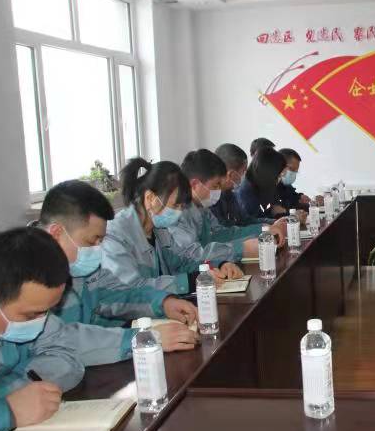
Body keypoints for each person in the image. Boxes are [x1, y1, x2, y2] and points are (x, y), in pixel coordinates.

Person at [37, 180, 198, 365]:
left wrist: (163, 303)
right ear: (57, 233)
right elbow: (59, 339)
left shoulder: (80, 265)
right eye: (92, 241)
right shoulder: (25, 276)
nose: (98, 249)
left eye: (101, 241)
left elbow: (118, 293)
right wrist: (142, 339)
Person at [0, 228, 84, 431]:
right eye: (31, 315)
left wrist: (5, 392)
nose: (41, 322)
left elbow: (66, 357)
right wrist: (8, 412)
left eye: (47, 312)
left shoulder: (28, 306)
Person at [102, 158, 232, 294]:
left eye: (181, 207)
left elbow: (182, 262)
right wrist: (190, 281)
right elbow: (131, 289)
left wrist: (218, 266)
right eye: (175, 206)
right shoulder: (115, 235)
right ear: (150, 198)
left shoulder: (160, 230)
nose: (179, 213)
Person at [170, 149, 286, 268]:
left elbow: (221, 234)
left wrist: (263, 230)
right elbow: (193, 256)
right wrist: (241, 248)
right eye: (215, 186)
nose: (218, 191)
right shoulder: (177, 213)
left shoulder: (202, 207)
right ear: (195, 185)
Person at [235, 147, 290, 222]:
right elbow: (254, 222)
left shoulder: (263, 184)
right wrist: (289, 218)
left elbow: (275, 206)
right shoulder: (245, 192)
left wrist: (287, 213)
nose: (279, 180)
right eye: (279, 176)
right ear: (269, 174)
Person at [211, 143, 249, 227]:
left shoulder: (229, 193)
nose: (244, 175)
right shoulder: (210, 199)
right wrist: (264, 228)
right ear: (231, 174)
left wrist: (270, 224)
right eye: (243, 171)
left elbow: (244, 221)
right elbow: (226, 231)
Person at [276, 148, 313, 212]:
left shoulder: (284, 184)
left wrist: (300, 197)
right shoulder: (268, 185)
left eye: (296, 171)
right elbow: (274, 211)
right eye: (291, 169)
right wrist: (291, 214)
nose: (293, 174)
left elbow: (291, 196)